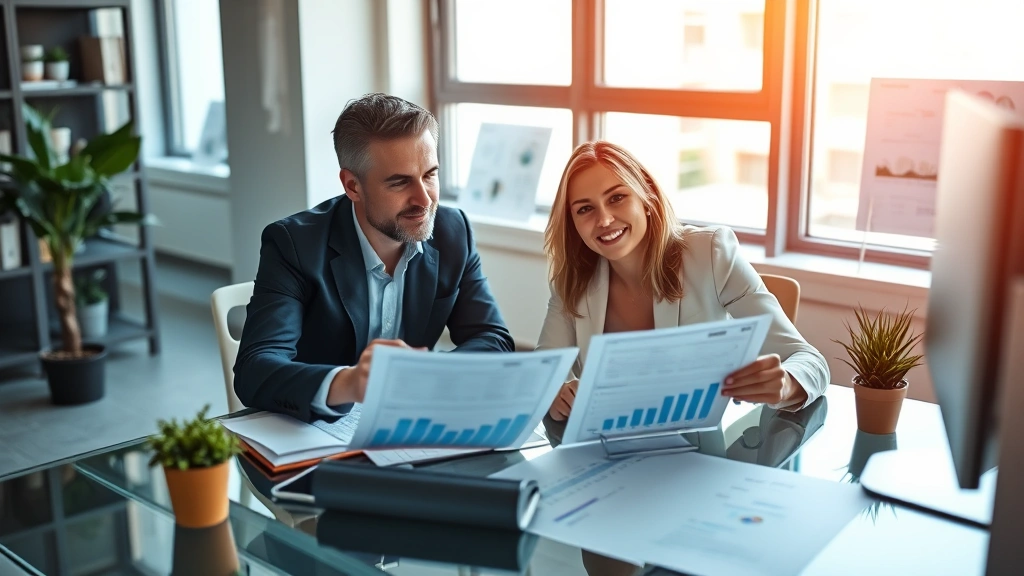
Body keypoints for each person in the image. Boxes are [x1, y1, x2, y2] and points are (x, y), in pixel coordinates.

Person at [234, 93, 513, 423]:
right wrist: (349, 384)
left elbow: (494, 340)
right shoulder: (294, 244)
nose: (424, 200)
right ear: (352, 186)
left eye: (430, 174)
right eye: (399, 182)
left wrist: (432, 373)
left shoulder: (454, 232)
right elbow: (255, 369)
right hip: (318, 432)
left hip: (408, 427)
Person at [538, 141, 829, 442]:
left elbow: (809, 359)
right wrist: (556, 392)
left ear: (646, 197)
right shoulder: (572, 280)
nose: (604, 220)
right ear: (572, 223)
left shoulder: (710, 254)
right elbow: (544, 372)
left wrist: (786, 384)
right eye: (585, 209)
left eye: (617, 198)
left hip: (697, 454)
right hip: (606, 453)